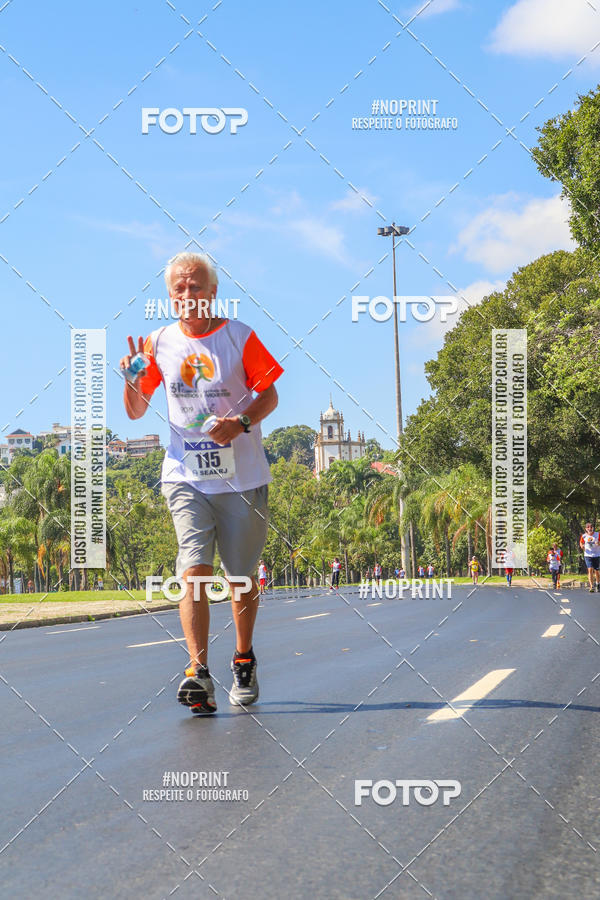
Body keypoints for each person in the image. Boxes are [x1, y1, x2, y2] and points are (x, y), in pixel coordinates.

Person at [121, 251, 283, 715]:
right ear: (169, 297)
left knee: (241, 577)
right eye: (179, 288)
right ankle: (198, 674)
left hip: (242, 477)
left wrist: (241, 423)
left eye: (196, 287)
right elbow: (135, 409)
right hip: (185, 476)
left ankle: (244, 658)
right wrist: (131, 379)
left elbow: (269, 393)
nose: (188, 295)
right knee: (192, 569)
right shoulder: (157, 342)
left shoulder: (240, 337)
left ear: (213, 292)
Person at [580, 523, 600, 592]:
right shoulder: (584, 536)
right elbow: (581, 543)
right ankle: (592, 586)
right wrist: (582, 546)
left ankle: (598, 583)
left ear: (593, 528)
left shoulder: (597, 534)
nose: (589, 528)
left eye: (591, 527)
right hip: (588, 555)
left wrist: (598, 543)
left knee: (596, 571)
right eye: (588, 527)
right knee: (590, 569)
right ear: (586, 529)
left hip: (596, 554)